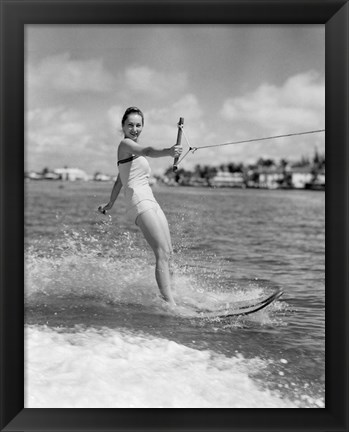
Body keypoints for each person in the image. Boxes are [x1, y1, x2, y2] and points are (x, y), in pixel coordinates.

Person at [98, 107, 182, 306]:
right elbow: (148, 151)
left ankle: (174, 296)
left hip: (151, 200)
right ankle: (170, 305)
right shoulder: (125, 144)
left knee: (169, 252)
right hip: (138, 201)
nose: (135, 129)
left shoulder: (131, 153)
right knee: (161, 252)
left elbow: (119, 180)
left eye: (138, 125)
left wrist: (110, 203)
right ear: (123, 127)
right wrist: (169, 152)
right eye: (130, 125)